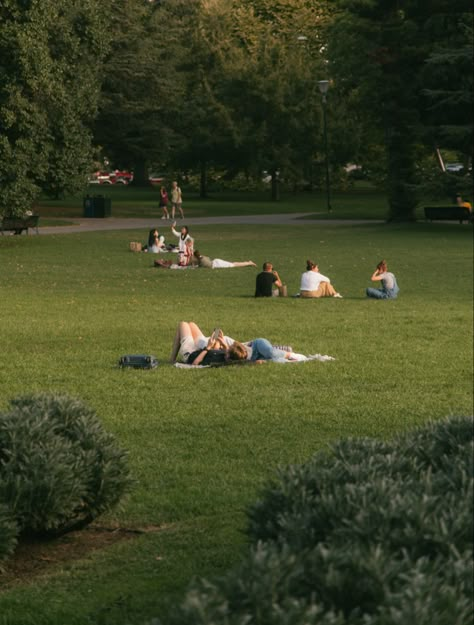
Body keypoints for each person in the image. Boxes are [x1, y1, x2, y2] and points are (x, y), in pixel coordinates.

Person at [170, 322, 248, 366]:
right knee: (191, 324)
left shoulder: (215, 360)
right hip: (198, 350)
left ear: (228, 357)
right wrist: (222, 342)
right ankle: (172, 360)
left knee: (183, 324)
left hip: (189, 354)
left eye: (228, 350)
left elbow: (195, 363)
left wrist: (208, 347)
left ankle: (172, 360)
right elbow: (218, 351)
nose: (227, 349)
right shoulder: (225, 357)